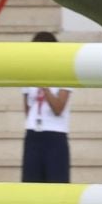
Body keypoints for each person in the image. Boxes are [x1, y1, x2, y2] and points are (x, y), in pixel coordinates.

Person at [20, 30, 72, 183]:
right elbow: (27, 108)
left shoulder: (64, 72)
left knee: (57, 183)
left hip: (55, 133)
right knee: (31, 183)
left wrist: (45, 86)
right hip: (33, 134)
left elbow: (58, 108)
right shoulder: (28, 73)